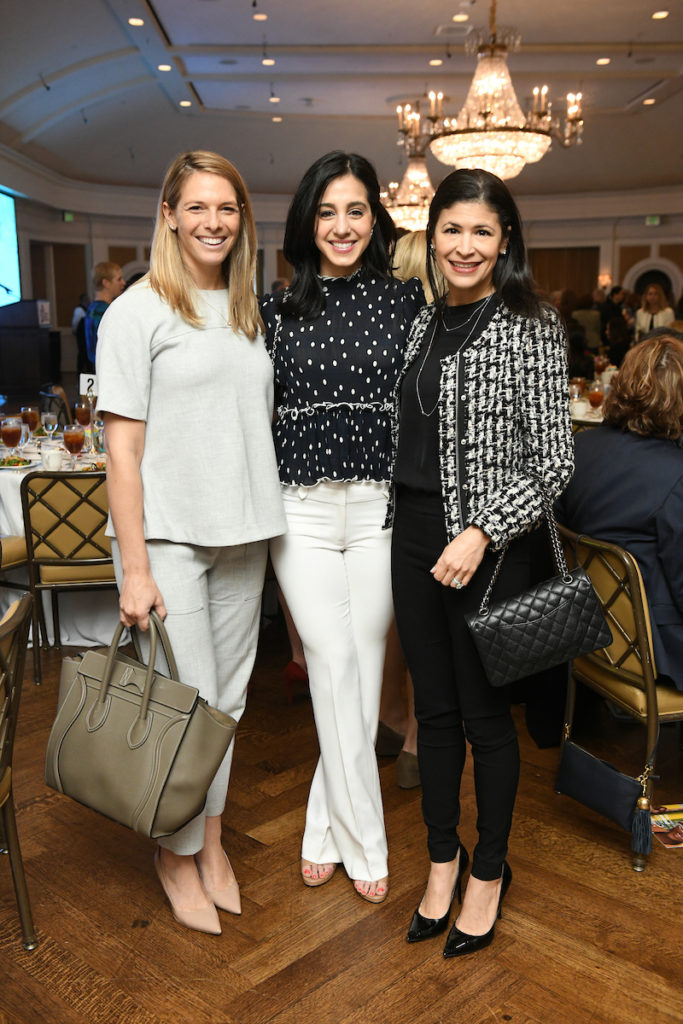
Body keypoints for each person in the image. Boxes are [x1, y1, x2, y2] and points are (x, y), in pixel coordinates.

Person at [96, 150, 285, 935]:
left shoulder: (245, 310)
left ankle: (209, 841)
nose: (214, 222)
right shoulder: (135, 312)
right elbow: (121, 453)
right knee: (187, 704)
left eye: (228, 208)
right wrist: (133, 569)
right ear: (169, 214)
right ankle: (173, 854)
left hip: (243, 532)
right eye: (198, 207)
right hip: (169, 539)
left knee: (228, 707)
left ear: (243, 220)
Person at [389, 168, 573, 957]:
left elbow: (555, 462)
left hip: (487, 553)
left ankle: (489, 872)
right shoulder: (421, 323)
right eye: (453, 230)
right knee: (431, 714)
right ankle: (441, 861)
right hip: (411, 538)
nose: (465, 246)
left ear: (505, 242)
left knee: (483, 721)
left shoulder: (531, 324)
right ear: (431, 237)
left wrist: (482, 530)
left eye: (481, 232)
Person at [261, 151, 423, 903]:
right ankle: (369, 843)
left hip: (380, 508)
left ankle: (323, 824)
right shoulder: (271, 309)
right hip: (298, 507)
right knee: (328, 658)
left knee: (359, 665)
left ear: (375, 220)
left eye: (355, 210)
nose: (341, 226)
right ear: (306, 220)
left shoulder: (406, 303)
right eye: (326, 211)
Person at [556, 330, 683, 691]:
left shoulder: (581, 446)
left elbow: (556, 536)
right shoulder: (675, 475)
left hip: (593, 634)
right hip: (654, 651)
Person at [85, 262, 125, 368]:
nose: (123, 283)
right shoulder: (106, 311)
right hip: (108, 370)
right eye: (119, 279)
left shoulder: (91, 308)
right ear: (106, 283)